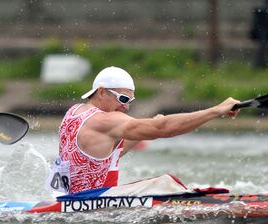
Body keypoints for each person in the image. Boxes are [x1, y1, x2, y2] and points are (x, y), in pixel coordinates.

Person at [46, 66, 240, 195]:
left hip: (68, 198)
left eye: (130, 101)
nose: (126, 107)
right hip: (89, 202)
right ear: (102, 91)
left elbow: (105, 154)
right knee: (165, 182)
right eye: (123, 99)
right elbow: (162, 129)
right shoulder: (103, 120)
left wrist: (151, 130)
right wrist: (216, 111)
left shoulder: (75, 111)